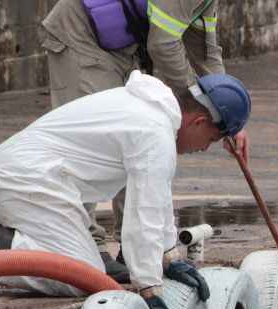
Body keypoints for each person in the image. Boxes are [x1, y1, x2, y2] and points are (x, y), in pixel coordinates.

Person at [0, 70, 251, 309]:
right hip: (26, 179)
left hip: (33, 177)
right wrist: (151, 291)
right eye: (211, 139)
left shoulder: (152, 116)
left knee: (84, 267)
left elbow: (157, 197)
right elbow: (142, 217)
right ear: (198, 121)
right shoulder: (154, 132)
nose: (205, 148)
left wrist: (168, 256)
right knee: (80, 275)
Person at [41, 0, 249, 281]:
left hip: (121, 44)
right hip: (81, 33)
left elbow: (205, 52)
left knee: (135, 138)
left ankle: (133, 248)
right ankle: (86, 243)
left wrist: (229, 117)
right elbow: (163, 45)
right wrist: (202, 105)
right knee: (102, 135)